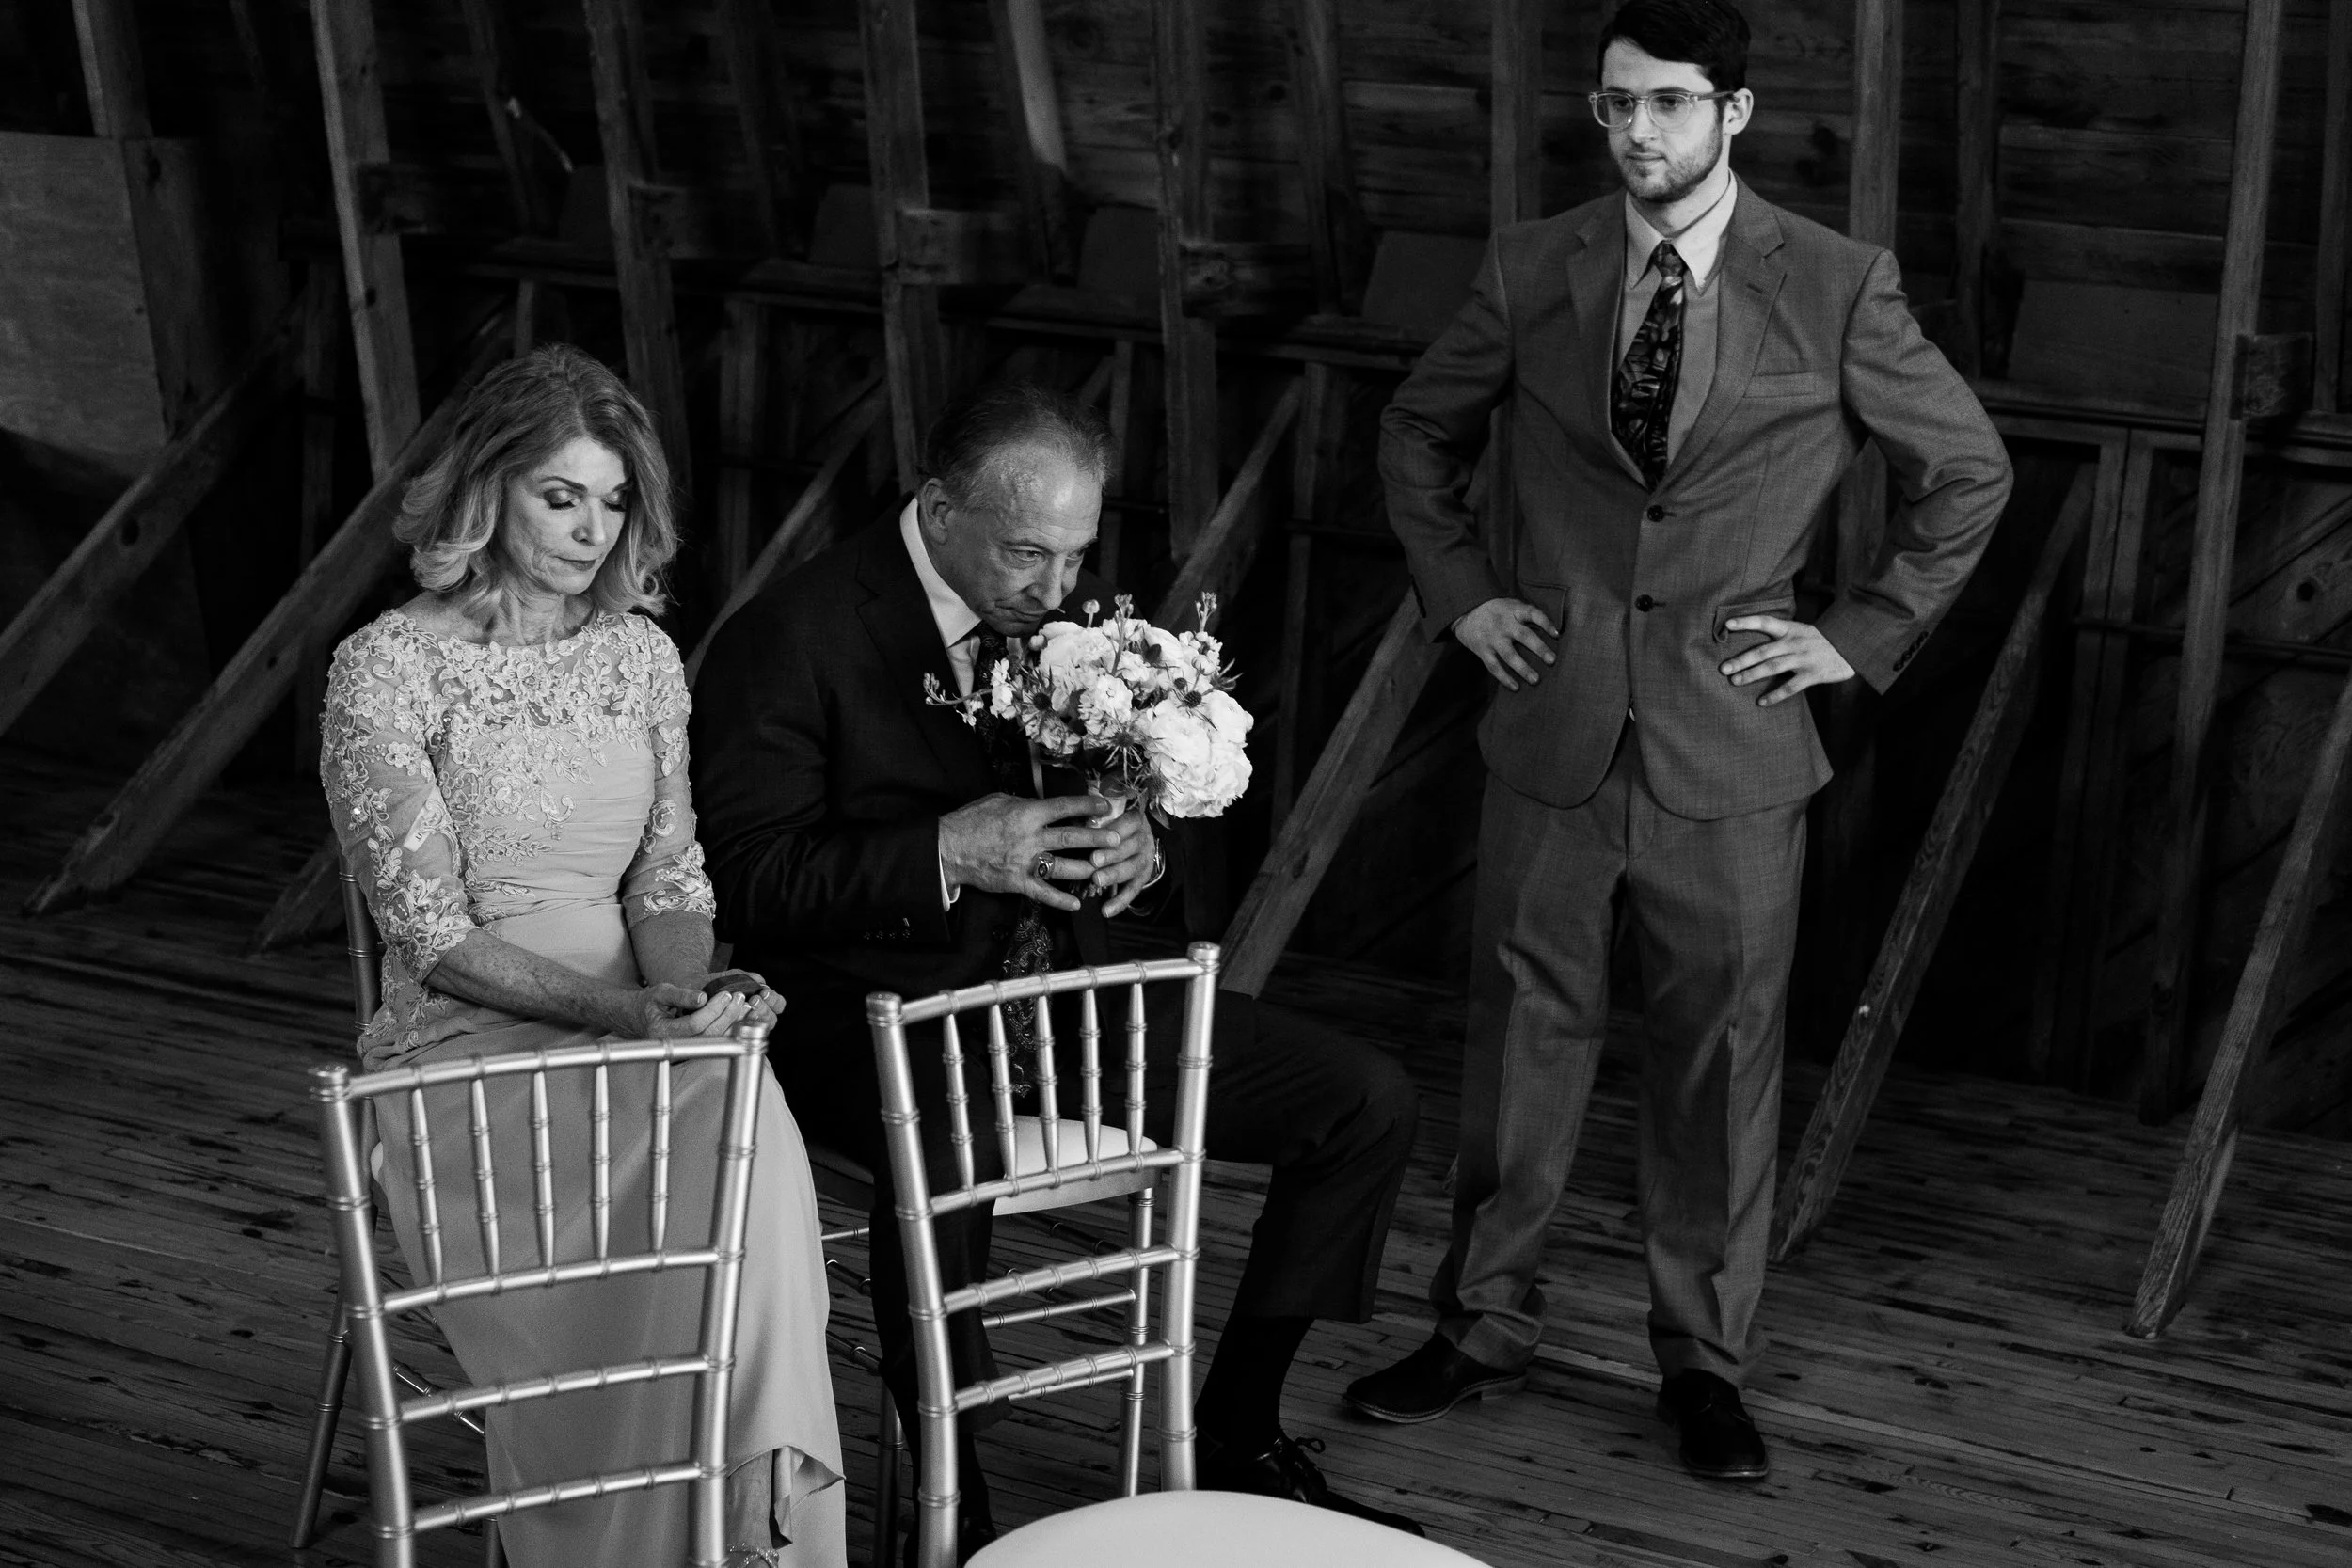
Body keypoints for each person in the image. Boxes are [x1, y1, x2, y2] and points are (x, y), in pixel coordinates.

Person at [1348, 0, 2011, 1483]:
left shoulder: (1838, 286)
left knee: (1719, 1061)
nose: (1635, 131)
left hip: (1735, 744)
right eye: (1613, 106)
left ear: (1738, 111)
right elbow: (1415, 432)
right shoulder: (1538, 265)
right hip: (1553, 727)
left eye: (1663, 103)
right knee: (1524, 1041)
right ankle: (1479, 1321)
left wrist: (1854, 633)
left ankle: (1704, 1363)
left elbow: (1966, 471)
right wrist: (1463, 600)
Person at [691, 379, 1425, 1556]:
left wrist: (1141, 851)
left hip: (1063, 997)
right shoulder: (795, 634)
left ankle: (1236, 1425)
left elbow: (1110, 842)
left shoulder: (1069, 628)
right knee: (953, 1128)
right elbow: (747, 880)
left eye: (1075, 555)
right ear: (937, 507)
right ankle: (947, 1484)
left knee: (1360, 1098)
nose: (1056, 591)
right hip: (866, 1013)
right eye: (1027, 554)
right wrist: (943, 847)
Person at [319, 344, 845, 1566]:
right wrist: (619, 1017)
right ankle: (703, 1534)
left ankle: (736, 1533)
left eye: (612, 501)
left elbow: (669, 875)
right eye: (562, 495)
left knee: (736, 1093)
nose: (593, 529)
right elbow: (432, 936)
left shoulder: (639, 655)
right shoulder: (384, 668)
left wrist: (676, 982)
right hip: (468, 1049)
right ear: (482, 487)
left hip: (638, 1018)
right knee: (727, 1119)